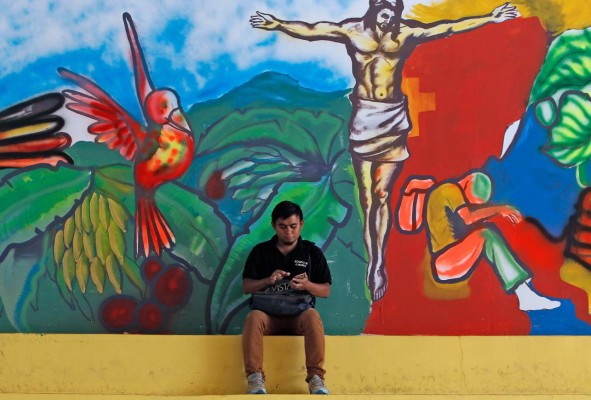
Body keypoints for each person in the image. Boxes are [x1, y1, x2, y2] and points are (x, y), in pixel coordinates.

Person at [250, 1, 520, 302]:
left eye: (395, 13)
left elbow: (445, 28)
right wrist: (278, 24)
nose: (390, 20)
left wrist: (490, 17)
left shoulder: (404, 34)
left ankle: (378, 264)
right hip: (365, 119)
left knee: (381, 196)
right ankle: (374, 259)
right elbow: (315, 30)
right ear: (374, 7)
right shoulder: (352, 31)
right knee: (368, 200)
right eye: (385, 13)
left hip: (393, 119)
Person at [398, 171, 561, 311]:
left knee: (485, 231)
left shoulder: (441, 194)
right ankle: (525, 295)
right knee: (485, 234)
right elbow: (468, 218)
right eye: (469, 200)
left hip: (449, 261)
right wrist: (499, 209)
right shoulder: (450, 189)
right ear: (468, 182)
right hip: (445, 261)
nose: (468, 204)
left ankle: (523, 290)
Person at [242, 200, 332, 395]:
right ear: (274, 225)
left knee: (312, 315)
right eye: (283, 227)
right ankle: (255, 378)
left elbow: (325, 290)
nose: (289, 232)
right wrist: (268, 280)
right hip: (269, 317)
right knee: (253, 317)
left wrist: (307, 285)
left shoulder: (311, 253)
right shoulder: (261, 251)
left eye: (293, 226)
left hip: (298, 316)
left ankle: (316, 378)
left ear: (301, 224)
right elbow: (246, 286)